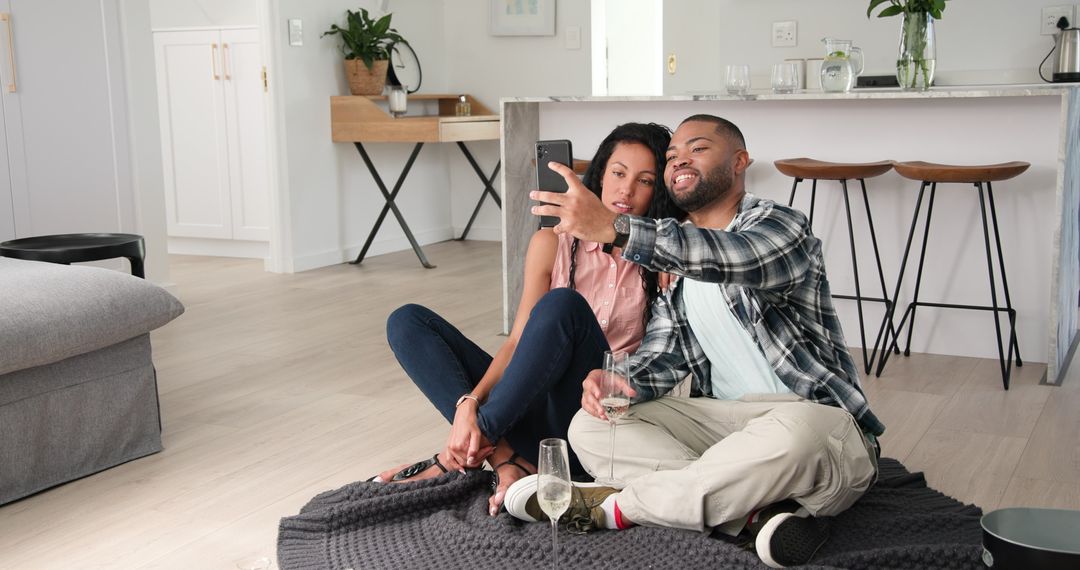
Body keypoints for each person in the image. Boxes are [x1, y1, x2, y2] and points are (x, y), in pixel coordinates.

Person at [508, 114, 885, 569]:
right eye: (672, 155)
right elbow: (666, 356)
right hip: (725, 428)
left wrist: (616, 228)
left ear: (740, 161)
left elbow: (734, 258)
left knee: (797, 431)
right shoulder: (676, 268)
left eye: (698, 148)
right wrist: (616, 380)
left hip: (816, 421)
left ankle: (615, 508)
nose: (679, 159)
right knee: (588, 427)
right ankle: (753, 512)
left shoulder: (779, 226)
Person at [373, 122, 685, 516]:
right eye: (618, 174)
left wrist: (670, 251)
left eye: (645, 181)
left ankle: (459, 456)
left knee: (563, 306)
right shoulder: (552, 242)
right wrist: (468, 404)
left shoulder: (664, 253)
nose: (626, 190)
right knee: (408, 322)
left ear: (659, 192)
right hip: (530, 406)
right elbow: (518, 341)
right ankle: (506, 458)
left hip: (593, 422)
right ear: (599, 175)